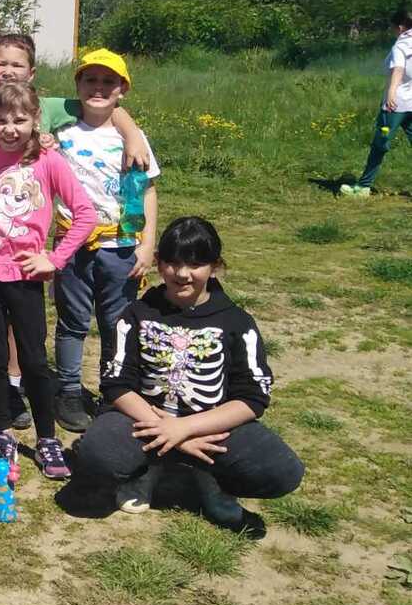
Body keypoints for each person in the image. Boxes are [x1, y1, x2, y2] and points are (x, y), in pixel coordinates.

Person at [77, 217, 305, 528]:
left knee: (283, 471)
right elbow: (116, 383)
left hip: (210, 425)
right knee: (96, 453)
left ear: (216, 266)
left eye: (196, 264)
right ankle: (147, 469)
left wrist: (185, 429)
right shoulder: (135, 315)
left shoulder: (238, 323)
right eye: (172, 263)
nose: (182, 274)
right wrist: (169, 432)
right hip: (145, 420)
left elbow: (253, 397)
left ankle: (211, 475)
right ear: (158, 263)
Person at [0, 82, 96, 482]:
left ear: (36, 120)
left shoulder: (49, 160)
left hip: (25, 277)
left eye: (19, 120)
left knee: (34, 359)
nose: (10, 129)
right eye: (0, 120)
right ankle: (0, 431)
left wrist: (53, 258)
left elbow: (85, 214)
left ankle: (47, 437)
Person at [52, 49, 160, 433]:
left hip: (122, 245)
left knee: (117, 323)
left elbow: (147, 191)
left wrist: (147, 244)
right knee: (72, 322)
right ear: (78, 84)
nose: (98, 88)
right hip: (73, 246)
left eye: (108, 82)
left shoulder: (134, 138)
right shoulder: (60, 132)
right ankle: (68, 391)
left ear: (122, 89)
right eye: (90, 80)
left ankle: (114, 391)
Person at [341, 10, 412, 197]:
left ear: (400, 27)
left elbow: (398, 70)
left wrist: (391, 93)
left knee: (380, 143)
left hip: (395, 105)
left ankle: (363, 187)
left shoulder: (401, 45)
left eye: (392, 27)